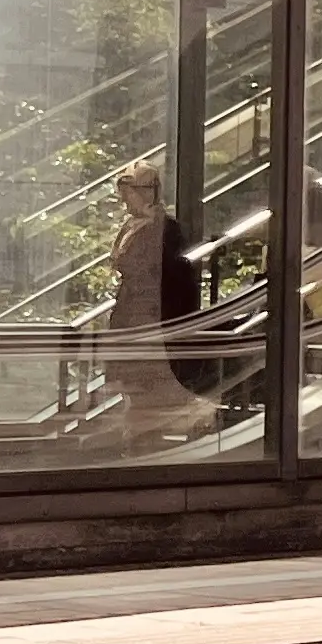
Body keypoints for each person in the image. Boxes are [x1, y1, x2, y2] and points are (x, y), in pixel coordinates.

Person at [104, 161, 208, 441]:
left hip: (152, 320)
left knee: (152, 388)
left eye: (130, 194)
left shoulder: (167, 230)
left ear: (147, 192)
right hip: (131, 316)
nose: (126, 202)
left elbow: (177, 279)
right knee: (136, 389)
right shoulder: (131, 226)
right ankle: (142, 440)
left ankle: (178, 425)